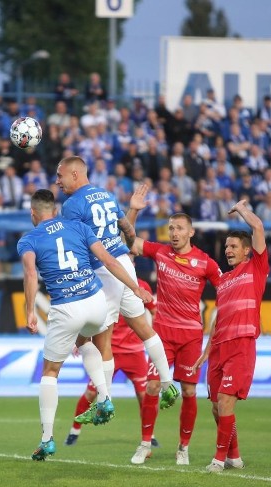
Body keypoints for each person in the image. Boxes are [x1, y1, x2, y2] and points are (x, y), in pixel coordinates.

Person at [18, 189, 153, 461]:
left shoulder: (28, 239)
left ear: (33, 213)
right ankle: (104, 396)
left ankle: (46, 440)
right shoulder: (77, 226)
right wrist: (134, 288)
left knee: (50, 371)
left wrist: (30, 310)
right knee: (86, 341)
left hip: (66, 307)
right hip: (95, 300)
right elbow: (110, 260)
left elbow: (31, 274)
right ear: (55, 211)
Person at [56, 157, 176, 430]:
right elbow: (128, 229)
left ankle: (104, 401)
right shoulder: (106, 195)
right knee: (144, 329)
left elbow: (76, 247)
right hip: (124, 263)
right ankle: (168, 384)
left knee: (99, 341)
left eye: (60, 176)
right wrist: (131, 246)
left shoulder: (72, 205)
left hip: (104, 269)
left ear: (75, 174)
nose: (57, 182)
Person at [126, 184, 222, 465]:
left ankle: (184, 447)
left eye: (180, 228)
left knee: (189, 391)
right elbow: (127, 242)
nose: (175, 233)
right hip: (162, 336)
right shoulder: (161, 253)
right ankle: (145, 444)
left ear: (191, 232)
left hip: (191, 337)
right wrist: (133, 210)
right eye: (171, 228)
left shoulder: (205, 262)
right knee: (152, 386)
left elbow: (226, 290)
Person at [192, 199, 268, 473]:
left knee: (225, 402)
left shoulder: (256, 269)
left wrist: (242, 210)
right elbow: (218, 318)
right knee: (216, 407)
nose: (228, 250)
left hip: (241, 346)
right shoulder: (223, 281)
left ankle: (218, 459)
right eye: (226, 247)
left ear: (248, 251)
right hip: (219, 348)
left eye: (234, 246)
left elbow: (258, 226)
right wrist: (206, 350)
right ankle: (234, 456)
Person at [64, 278, 163, 462]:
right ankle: (74, 430)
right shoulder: (100, 284)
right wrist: (81, 340)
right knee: (91, 393)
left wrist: (153, 334)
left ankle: (150, 435)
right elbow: (88, 316)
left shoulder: (141, 286)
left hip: (134, 352)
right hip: (108, 350)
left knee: (145, 395)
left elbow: (155, 311)